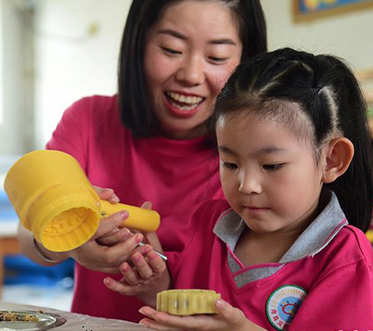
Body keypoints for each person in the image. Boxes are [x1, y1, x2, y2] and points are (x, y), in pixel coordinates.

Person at [17, 0, 267, 322]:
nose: (191, 75)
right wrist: (67, 240)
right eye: (170, 49)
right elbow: (30, 230)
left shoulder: (258, 155)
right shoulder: (88, 121)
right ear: (139, 44)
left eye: (217, 57)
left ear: (247, 60)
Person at [105, 48, 373, 330]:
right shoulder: (209, 223)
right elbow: (187, 315)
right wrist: (157, 284)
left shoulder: (346, 261)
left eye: (271, 166)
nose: (247, 185)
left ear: (332, 160)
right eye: (230, 164)